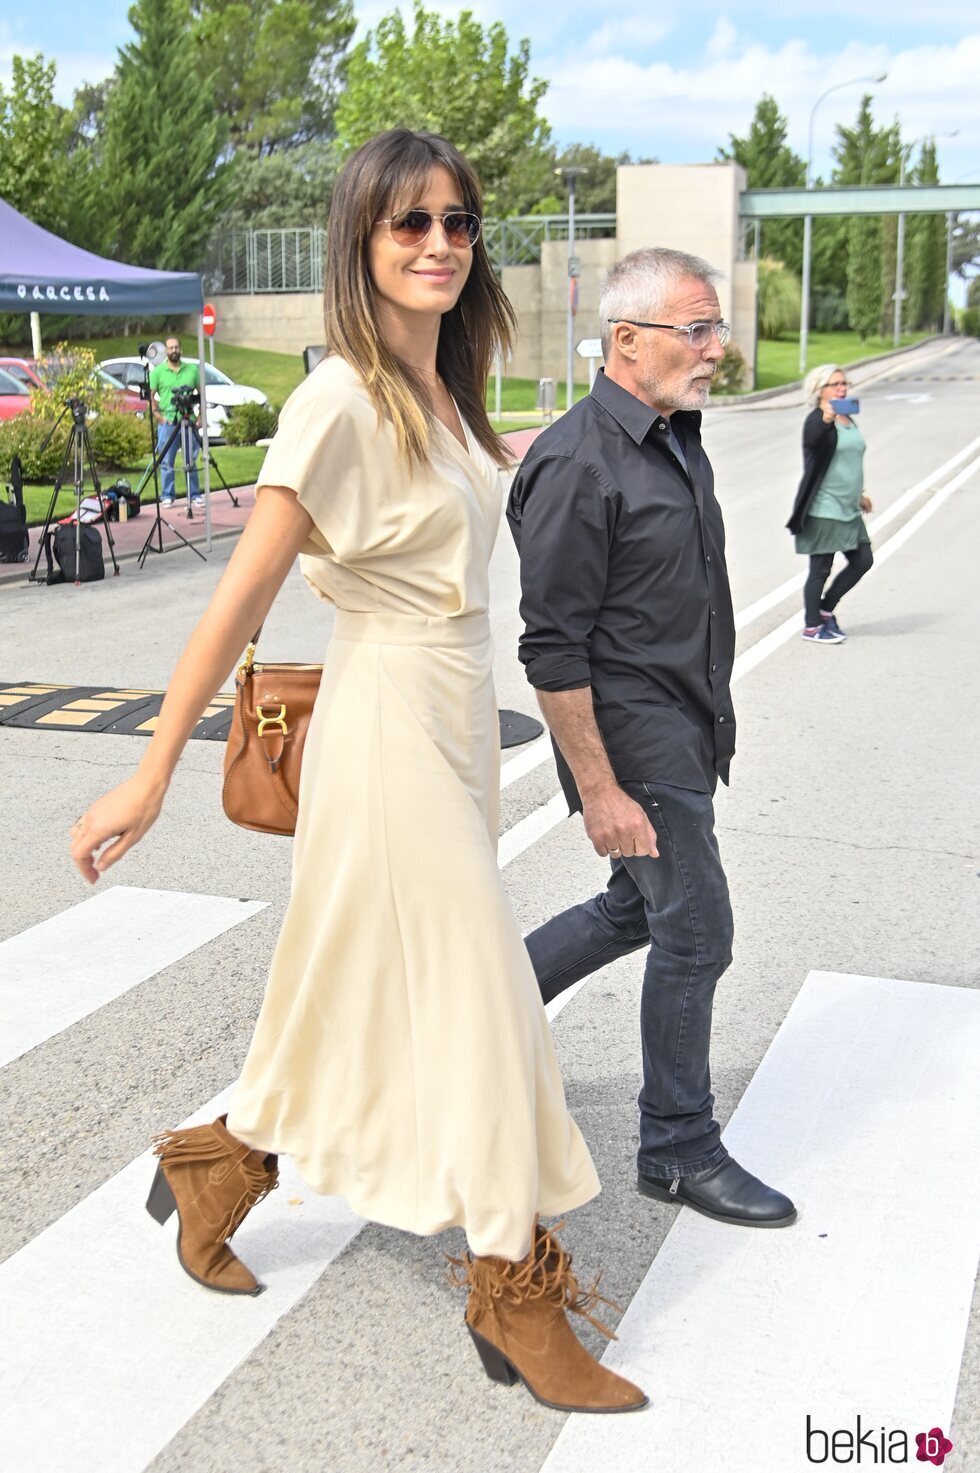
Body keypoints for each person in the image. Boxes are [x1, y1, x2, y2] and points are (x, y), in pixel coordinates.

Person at [68, 129, 646, 1416]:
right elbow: (236, 602)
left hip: (448, 718)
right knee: (485, 1000)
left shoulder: (447, 389)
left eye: (455, 221)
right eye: (410, 224)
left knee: (349, 981)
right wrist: (152, 773)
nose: (439, 243)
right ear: (362, 243)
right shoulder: (337, 399)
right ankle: (512, 1290)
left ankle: (223, 1163)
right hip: (383, 723)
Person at [506, 247, 796, 1230]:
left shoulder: (671, 435)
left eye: (713, 329)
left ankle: (478, 1015)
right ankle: (675, 1145)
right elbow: (550, 651)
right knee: (697, 929)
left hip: (677, 723)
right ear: (625, 342)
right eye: (696, 331)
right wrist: (598, 787)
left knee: (637, 911)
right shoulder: (573, 463)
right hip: (629, 739)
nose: (716, 349)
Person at [786, 364, 874, 643]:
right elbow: (812, 440)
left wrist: (859, 494)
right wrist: (826, 418)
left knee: (863, 560)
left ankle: (825, 610)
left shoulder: (847, 416)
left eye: (844, 383)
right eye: (834, 384)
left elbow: (847, 461)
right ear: (819, 390)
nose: (842, 388)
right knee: (820, 569)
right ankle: (812, 626)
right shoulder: (817, 420)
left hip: (848, 507)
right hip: (824, 507)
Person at [149, 336, 204, 509]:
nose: (174, 350)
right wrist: (158, 416)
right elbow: (150, 397)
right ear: (166, 350)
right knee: (166, 461)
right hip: (168, 421)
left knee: (191, 460)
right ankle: (167, 495)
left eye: (176, 347)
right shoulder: (157, 372)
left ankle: (194, 494)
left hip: (189, 420)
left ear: (180, 349)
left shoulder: (192, 370)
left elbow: (201, 393)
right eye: (170, 348)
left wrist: (201, 416)